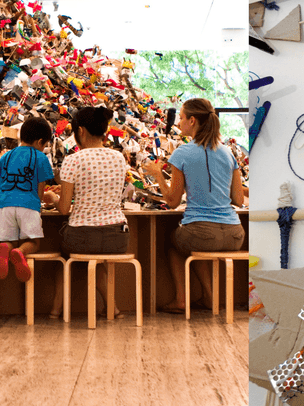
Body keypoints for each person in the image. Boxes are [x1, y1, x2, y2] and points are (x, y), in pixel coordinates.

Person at [144, 98, 245, 314]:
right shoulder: (228, 153)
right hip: (235, 234)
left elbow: (172, 202)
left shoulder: (182, 153)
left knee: (176, 246)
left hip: (201, 232)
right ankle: (209, 298)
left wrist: (158, 176)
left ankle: (182, 300)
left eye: (181, 118)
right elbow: (238, 200)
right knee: (196, 245)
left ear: (192, 120)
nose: (179, 123)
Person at [49, 106, 130, 319]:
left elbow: (65, 208)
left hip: (82, 236)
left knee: (66, 261)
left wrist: (53, 198)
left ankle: (55, 311)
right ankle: (112, 308)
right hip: (118, 236)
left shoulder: (73, 160)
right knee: (97, 259)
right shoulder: (119, 158)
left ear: (81, 131)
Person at [0, 116, 54, 282]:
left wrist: (0, 202)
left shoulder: (6, 156)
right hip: (28, 205)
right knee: (33, 242)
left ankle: (5, 248)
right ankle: (21, 252)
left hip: (4, 206)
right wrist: (39, 201)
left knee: (7, 239)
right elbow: (40, 189)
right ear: (40, 142)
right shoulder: (41, 158)